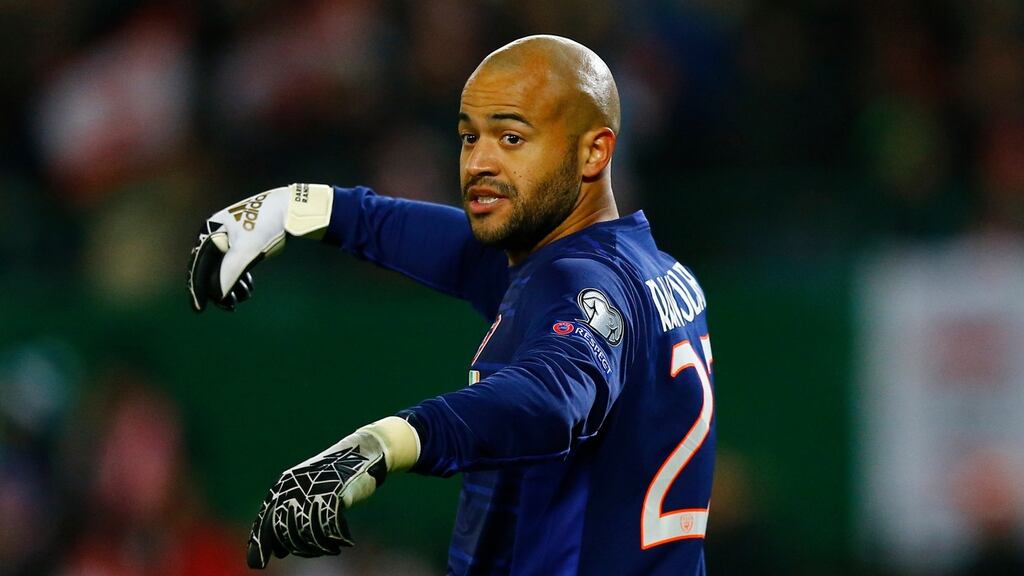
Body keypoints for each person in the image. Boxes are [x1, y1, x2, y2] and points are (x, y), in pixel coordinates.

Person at [187, 35, 716, 575]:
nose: (479, 161)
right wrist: (304, 206)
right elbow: (460, 252)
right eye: (469, 136)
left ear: (593, 151)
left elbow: (553, 396)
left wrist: (389, 441)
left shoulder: (583, 280)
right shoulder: (642, 266)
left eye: (511, 137)